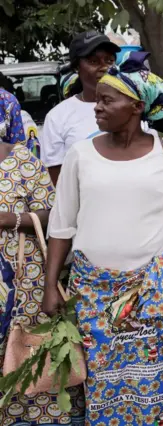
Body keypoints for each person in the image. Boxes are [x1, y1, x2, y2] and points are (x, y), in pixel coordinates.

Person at [43, 51, 163, 425]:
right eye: (97, 99)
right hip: (94, 292)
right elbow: (62, 225)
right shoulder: (80, 155)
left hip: (153, 289)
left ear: (135, 107)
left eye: (106, 100)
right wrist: (51, 285)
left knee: (159, 381)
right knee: (102, 382)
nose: (97, 108)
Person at [0, 84, 86, 425]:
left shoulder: (22, 159)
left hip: (25, 282)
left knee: (31, 353)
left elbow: (56, 214)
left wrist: (13, 219)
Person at [40, 31, 120, 185]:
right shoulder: (58, 117)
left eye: (109, 60)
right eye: (94, 62)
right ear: (77, 67)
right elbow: (59, 180)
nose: (104, 67)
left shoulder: (131, 108)